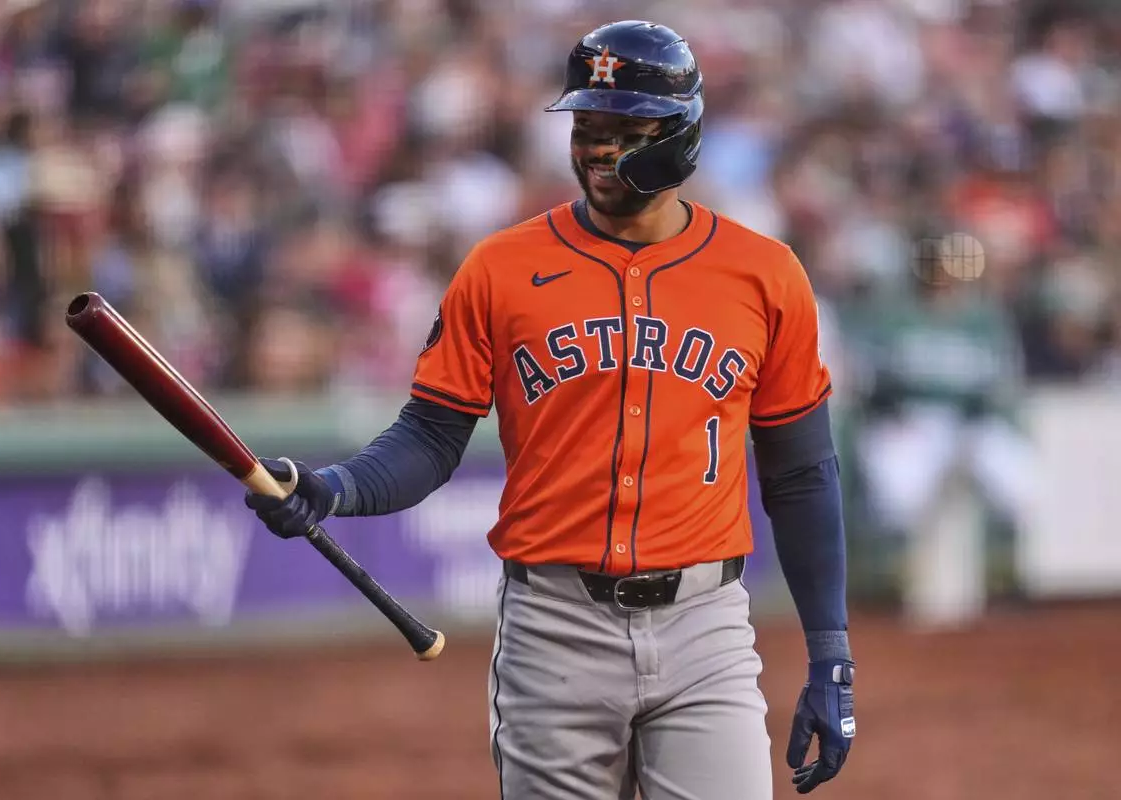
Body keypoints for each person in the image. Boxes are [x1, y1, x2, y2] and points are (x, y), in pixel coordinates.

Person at [245, 20, 856, 799]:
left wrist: (830, 650)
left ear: (682, 135)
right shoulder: (500, 269)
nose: (598, 149)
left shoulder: (765, 275)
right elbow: (430, 435)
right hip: (555, 628)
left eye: (625, 131)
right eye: (587, 127)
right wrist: (334, 488)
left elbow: (801, 473)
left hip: (705, 627)